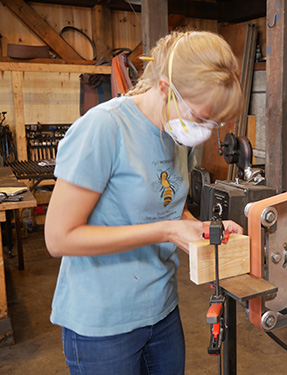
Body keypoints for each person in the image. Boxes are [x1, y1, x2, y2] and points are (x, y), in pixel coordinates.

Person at [45, 30, 244, 375]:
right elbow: (59, 238)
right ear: (166, 88)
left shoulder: (174, 131)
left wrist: (196, 227)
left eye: (214, 123)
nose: (206, 133)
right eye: (200, 118)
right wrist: (167, 230)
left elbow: (165, 201)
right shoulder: (105, 128)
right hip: (103, 325)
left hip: (161, 311)